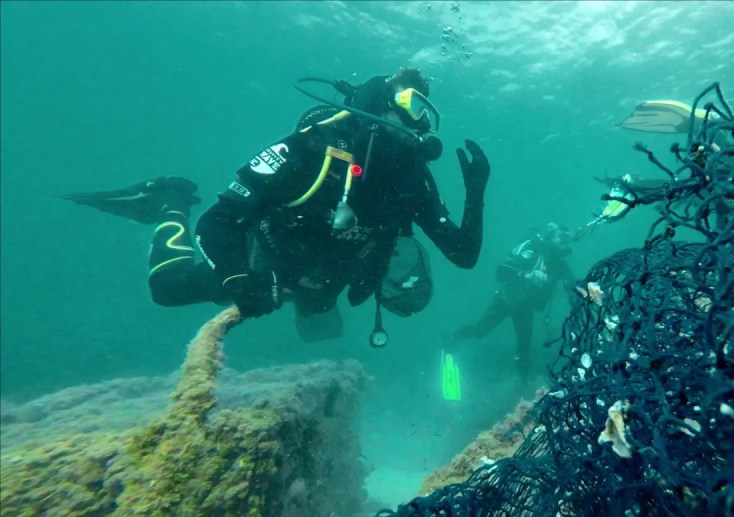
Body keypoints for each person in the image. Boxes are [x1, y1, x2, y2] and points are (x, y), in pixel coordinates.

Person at [60, 67, 490, 346]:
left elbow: (463, 254)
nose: (420, 123)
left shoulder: (411, 178)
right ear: (379, 103)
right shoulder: (318, 146)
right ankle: (169, 201)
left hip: (321, 277)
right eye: (412, 104)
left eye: (427, 114)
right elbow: (220, 219)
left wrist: (475, 193)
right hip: (260, 261)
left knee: (323, 328)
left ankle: (304, 295)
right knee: (167, 291)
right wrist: (237, 278)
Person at [451, 222, 577, 393]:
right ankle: (451, 340)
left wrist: (582, 296)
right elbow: (502, 271)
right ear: (550, 237)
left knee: (524, 348)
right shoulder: (531, 250)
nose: (565, 244)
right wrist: (527, 276)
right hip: (506, 299)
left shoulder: (559, 263)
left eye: (567, 240)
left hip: (525, 307)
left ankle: (523, 385)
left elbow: (571, 286)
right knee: (480, 331)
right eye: (561, 238)